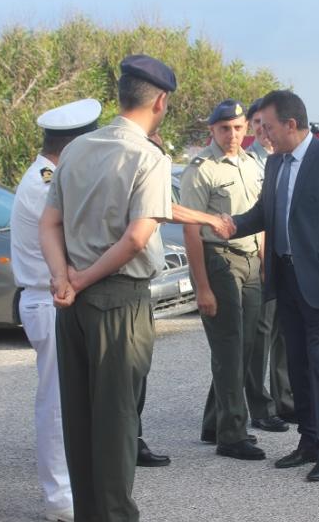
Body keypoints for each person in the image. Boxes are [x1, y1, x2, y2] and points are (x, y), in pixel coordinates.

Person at [38, 54, 230, 522]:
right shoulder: (148, 156)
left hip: (72, 305)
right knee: (117, 423)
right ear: (160, 101)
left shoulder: (78, 149)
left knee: (80, 421)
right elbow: (136, 238)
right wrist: (81, 278)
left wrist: (63, 278)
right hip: (118, 301)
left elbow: (49, 223)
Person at [13, 97, 169, 522]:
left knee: (79, 409)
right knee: (71, 409)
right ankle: (62, 497)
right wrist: (74, 280)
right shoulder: (46, 178)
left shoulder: (58, 169)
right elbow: (128, 235)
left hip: (64, 292)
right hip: (65, 293)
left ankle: (81, 502)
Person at [224, 90, 319, 482]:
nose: (263, 134)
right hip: (285, 277)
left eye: (268, 126)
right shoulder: (276, 162)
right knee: (297, 365)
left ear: (291, 124)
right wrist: (232, 224)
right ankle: (308, 441)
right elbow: (264, 212)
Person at [180, 99, 287, 461]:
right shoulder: (201, 169)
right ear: (212, 130)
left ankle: (215, 422)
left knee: (245, 347)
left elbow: (260, 218)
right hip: (219, 259)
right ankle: (232, 434)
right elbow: (191, 230)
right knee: (229, 347)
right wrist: (202, 288)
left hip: (250, 260)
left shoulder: (251, 164)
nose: (233, 134)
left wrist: (264, 261)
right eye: (225, 128)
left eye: (239, 127)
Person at [246, 97, 296, 425]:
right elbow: (257, 216)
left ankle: (285, 400)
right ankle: (258, 405)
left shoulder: (283, 157)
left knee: (284, 334)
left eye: (267, 125)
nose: (263, 131)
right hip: (258, 261)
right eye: (257, 125)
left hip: (281, 260)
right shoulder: (249, 161)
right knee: (259, 336)